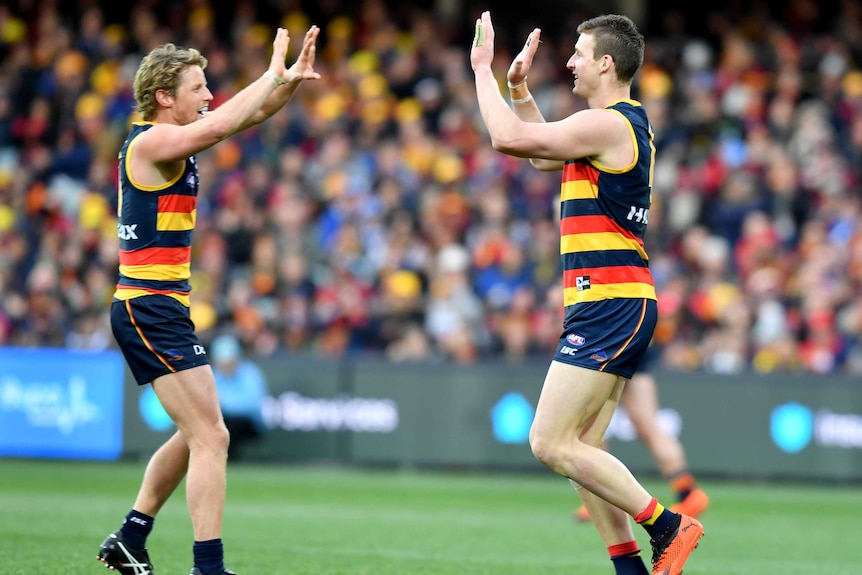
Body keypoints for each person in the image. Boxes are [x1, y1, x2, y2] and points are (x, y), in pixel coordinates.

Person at [470, 11, 703, 575]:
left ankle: (670, 525)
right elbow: (543, 154)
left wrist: (482, 67)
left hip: (612, 302)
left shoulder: (611, 123)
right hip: (607, 301)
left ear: (606, 62)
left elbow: (508, 139)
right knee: (585, 453)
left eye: (578, 53)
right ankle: (628, 568)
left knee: (549, 443)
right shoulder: (610, 126)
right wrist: (519, 90)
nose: (569, 61)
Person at [97, 24, 320, 575]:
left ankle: (132, 536)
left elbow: (243, 117)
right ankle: (208, 567)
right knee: (210, 437)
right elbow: (225, 122)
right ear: (164, 97)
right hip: (148, 306)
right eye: (197, 87)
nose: (208, 96)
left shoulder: (169, 137)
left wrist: (285, 85)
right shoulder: (151, 141)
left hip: (159, 307)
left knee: (200, 432)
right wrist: (268, 73)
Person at [574, 344, 710, 523]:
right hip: (633, 339)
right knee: (648, 425)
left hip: (602, 342)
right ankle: (687, 492)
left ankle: (603, 502)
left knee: (592, 426)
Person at [209, 333, 270, 461]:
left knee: (231, 423)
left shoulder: (250, 373)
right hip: (221, 422)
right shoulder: (213, 374)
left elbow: (252, 404)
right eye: (222, 362)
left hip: (248, 424)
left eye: (229, 361)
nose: (226, 366)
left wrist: (224, 403)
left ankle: (231, 458)